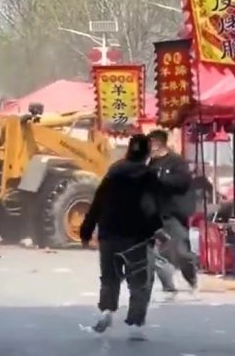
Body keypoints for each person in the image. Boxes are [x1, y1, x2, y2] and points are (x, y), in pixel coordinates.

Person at [79, 134, 161, 340]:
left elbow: (98, 201)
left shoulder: (114, 171)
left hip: (109, 235)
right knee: (139, 280)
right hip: (136, 237)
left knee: (109, 277)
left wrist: (86, 230)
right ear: (147, 153)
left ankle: (107, 312)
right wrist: (157, 229)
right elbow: (151, 207)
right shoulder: (148, 175)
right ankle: (135, 323)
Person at [147, 130, 198, 292]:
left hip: (173, 214)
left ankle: (191, 275)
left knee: (181, 252)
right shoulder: (150, 164)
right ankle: (166, 285)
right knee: (149, 254)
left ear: (158, 143)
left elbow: (183, 182)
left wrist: (160, 179)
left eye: (151, 144)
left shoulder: (176, 162)